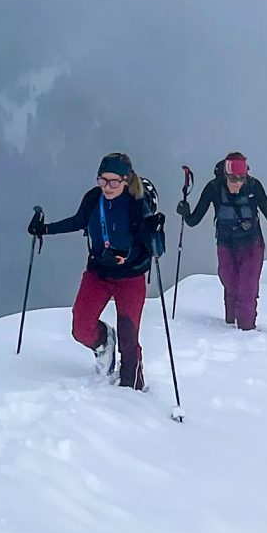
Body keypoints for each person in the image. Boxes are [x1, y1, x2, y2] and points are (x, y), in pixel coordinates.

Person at [31, 152, 165, 388]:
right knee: (81, 327)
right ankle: (104, 342)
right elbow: (77, 221)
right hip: (98, 272)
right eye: (103, 180)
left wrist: (153, 234)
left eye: (114, 181)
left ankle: (132, 390)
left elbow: (154, 249)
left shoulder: (136, 204)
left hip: (130, 277)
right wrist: (44, 229)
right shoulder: (94, 198)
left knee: (129, 339)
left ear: (126, 180)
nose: (107, 186)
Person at [178, 150, 267, 331]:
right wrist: (185, 212)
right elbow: (193, 221)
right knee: (230, 282)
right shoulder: (214, 188)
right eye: (233, 179)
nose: (238, 184)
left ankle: (246, 331)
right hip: (225, 243)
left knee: (246, 290)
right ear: (225, 175)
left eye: (241, 179)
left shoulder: (253, 186)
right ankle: (230, 323)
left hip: (252, 244)